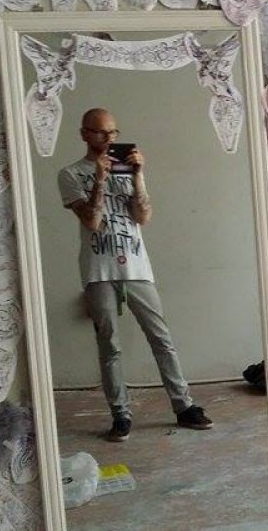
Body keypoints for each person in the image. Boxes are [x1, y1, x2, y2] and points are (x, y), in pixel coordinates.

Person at [58, 108, 212, 442]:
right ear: (84, 134)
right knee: (109, 345)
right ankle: (120, 415)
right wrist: (100, 180)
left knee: (161, 339)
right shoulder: (70, 174)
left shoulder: (127, 171)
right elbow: (92, 222)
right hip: (98, 271)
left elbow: (143, 217)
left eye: (113, 132)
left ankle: (184, 406)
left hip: (137, 267)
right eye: (101, 133)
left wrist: (139, 176)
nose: (109, 139)